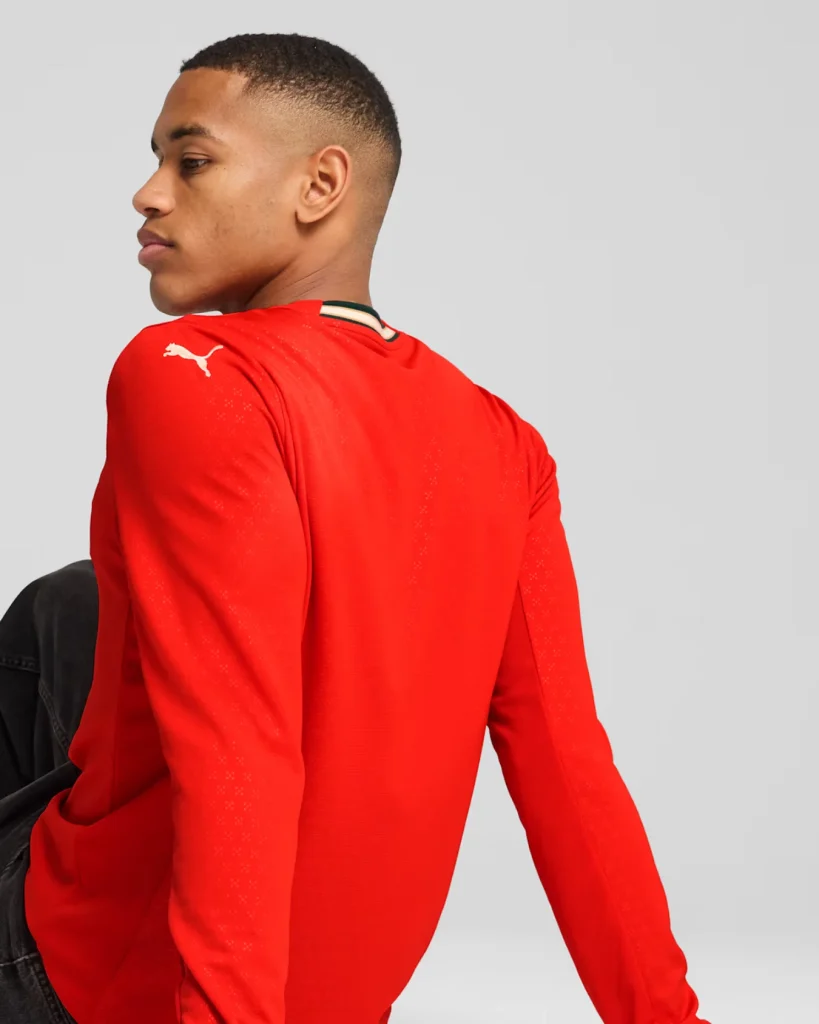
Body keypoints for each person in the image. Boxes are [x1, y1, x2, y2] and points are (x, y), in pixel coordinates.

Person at [0, 31, 712, 1024]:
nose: (148, 194)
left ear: (320, 185)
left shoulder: (191, 371)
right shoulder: (503, 438)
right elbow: (567, 767)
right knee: (66, 608)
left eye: (191, 161)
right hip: (335, 994)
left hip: (110, 981)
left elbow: (236, 742)